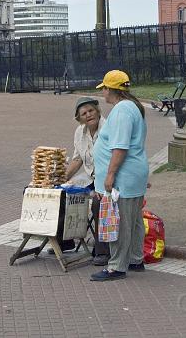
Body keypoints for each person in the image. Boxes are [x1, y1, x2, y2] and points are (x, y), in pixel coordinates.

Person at [90, 70, 148, 282]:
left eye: (103, 88)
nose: (102, 93)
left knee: (120, 220)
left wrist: (110, 174)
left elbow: (120, 147)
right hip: (133, 174)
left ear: (110, 89)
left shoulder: (122, 110)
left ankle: (116, 266)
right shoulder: (132, 107)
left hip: (123, 177)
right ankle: (135, 258)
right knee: (133, 221)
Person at [65, 96, 110, 266]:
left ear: (98, 111)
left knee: (98, 203)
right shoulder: (79, 132)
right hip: (91, 176)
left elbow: (114, 157)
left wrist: (107, 181)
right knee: (63, 192)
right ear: (79, 118)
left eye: (91, 110)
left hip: (107, 177)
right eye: (84, 113)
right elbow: (77, 160)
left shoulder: (107, 128)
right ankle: (65, 241)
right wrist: (63, 179)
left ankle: (102, 251)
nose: (88, 115)